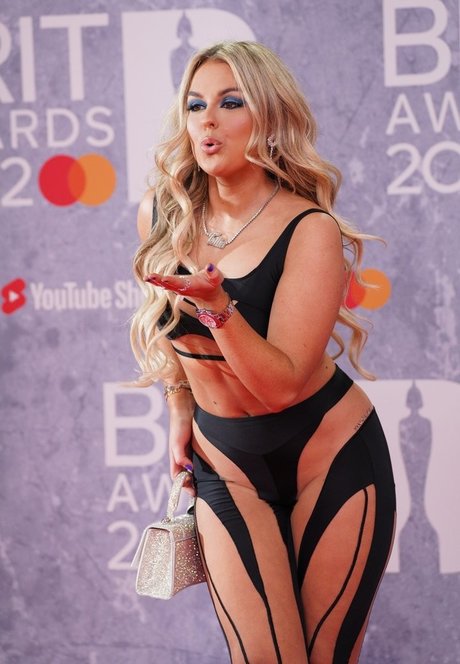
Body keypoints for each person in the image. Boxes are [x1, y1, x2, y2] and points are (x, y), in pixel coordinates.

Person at [130, 41, 396, 664]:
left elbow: (281, 386)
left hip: (331, 457)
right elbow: (167, 325)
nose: (207, 121)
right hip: (226, 462)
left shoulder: (310, 229)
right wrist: (179, 407)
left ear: (269, 116)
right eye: (195, 105)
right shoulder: (163, 215)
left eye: (230, 103)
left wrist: (219, 307)